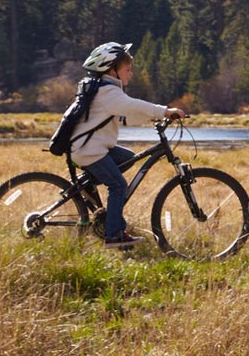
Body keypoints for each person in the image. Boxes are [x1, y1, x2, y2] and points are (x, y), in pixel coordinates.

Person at [65, 43, 187, 248]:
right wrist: (164, 111)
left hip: (88, 146)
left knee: (127, 157)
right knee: (118, 185)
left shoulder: (102, 90)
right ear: (112, 69)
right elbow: (132, 105)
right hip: (88, 150)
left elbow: (120, 117)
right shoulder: (108, 93)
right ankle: (114, 235)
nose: (130, 74)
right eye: (127, 70)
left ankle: (88, 185)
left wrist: (152, 119)